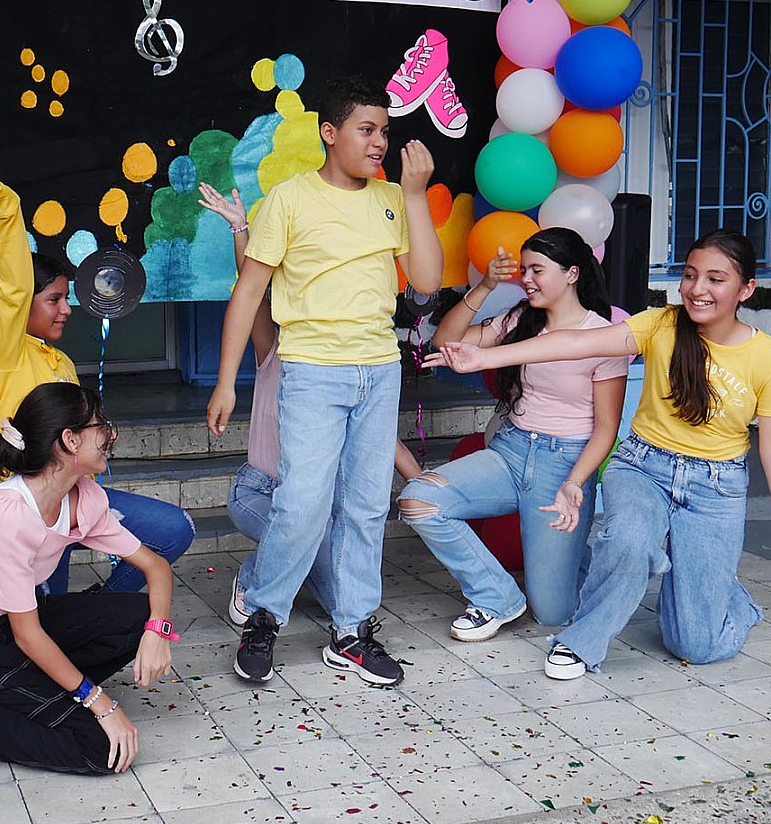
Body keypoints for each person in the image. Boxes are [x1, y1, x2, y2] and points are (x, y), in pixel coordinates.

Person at [425, 229, 771, 680]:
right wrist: (484, 358)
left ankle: (721, 594)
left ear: (746, 289)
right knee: (630, 541)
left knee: (696, 646)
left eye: (716, 279)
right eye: (690, 275)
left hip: (716, 486)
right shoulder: (661, 324)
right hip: (644, 467)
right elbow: (574, 343)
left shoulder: (767, 356)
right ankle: (581, 643)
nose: (697, 289)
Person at [207, 76, 444, 686]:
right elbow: (248, 293)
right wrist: (226, 382)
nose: (379, 142)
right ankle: (264, 617)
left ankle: (352, 632)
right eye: (367, 130)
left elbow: (425, 282)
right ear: (330, 133)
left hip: (379, 370)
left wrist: (415, 197)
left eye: (384, 131)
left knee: (365, 506)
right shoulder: (288, 200)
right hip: (312, 371)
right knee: (302, 502)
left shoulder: (391, 197)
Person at [0, 382, 176, 774]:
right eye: (101, 426)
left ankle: (29, 692)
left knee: (139, 617)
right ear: (70, 440)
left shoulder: (86, 498)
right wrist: (100, 703)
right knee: (99, 749)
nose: (111, 435)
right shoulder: (7, 513)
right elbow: (28, 636)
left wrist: (158, 630)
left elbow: (156, 566)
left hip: (20, 620)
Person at [0, 164, 193, 593]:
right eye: (54, 299)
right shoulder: (0, 352)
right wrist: (7, 207)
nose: (66, 309)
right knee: (43, 616)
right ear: (22, 305)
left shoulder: (61, 360)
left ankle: (99, 604)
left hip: (76, 496)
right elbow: (14, 287)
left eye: (66, 298)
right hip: (30, 506)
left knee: (174, 529)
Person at [195, 181, 422, 627]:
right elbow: (252, 290)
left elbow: (380, 440)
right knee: (304, 526)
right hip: (260, 490)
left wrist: (421, 481)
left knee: (340, 593)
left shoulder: (349, 365)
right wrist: (241, 229)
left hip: (319, 500)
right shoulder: (276, 351)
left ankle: (295, 578)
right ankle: (255, 578)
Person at [398, 228, 626, 641]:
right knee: (419, 500)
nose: (527, 279)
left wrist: (575, 482)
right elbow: (446, 342)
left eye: (538, 270)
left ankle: (589, 564)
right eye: (524, 270)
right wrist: (485, 285)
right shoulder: (522, 319)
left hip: (562, 464)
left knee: (553, 613)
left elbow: (606, 428)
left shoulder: (604, 335)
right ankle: (497, 597)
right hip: (510, 450)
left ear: (572, 273)